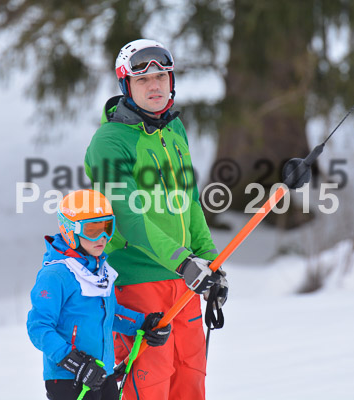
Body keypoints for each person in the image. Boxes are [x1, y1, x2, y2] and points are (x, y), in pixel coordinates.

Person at [84, 39, 229, 400]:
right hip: (140, 281)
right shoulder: (109, 142)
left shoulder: (174, 131)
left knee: (190, 378)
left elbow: (190, 200)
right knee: (150, 382)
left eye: (161, 76)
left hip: (185, 280)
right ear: (126, 86)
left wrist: (208, 259)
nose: (155, 86)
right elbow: (128, 217)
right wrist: (184, 262)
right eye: (143, 80)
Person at [27, 189, 172, 400]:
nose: (103, 237)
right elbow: (38, 327)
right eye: (93, 230)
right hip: (68, 378)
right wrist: (74, 361)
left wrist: (143, 323)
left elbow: (108, 314)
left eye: (107, 227)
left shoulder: (100, 270)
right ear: (70, 230)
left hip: (102, 373)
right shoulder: (56, 274)